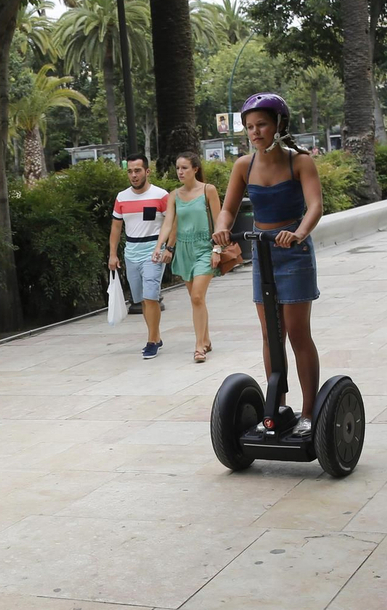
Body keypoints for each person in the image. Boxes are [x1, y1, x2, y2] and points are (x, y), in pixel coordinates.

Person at [211, 92, 324, 436]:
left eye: (261, 124)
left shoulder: (299, 161)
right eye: (249, 127)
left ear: (278, 125)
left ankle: (308, 413)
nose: (255, 132)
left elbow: (315, 205)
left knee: (297, 334)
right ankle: (279, 407)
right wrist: (221, 227)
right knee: (270, 334)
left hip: (294, 252)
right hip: (262, 252)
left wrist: (299, 233)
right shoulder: (243, 165)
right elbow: (228, 208)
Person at [154, 151, 223, 362]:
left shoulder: (208, 190)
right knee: (196, 299)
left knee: (197, 297)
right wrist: (159, 246)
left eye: (184, 167)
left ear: (195, 169)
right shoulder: (174, 195)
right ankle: (207, 339)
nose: (180, 172)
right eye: (177, 168)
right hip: (184, 250)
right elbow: (168, 223)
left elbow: (219, 221)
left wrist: (217, 249)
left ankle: (199, 346)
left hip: (204, 248)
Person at [108, 154, 170, 358]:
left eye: (137, 171)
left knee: (150, 297)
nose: (133, 175)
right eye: (130, 171)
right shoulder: (122, 197)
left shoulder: (161, 195)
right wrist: (113, 254)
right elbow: (116, 228)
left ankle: (152, 341)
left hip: (154, 251)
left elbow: (173, 224)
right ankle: (156, 335)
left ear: (147, 171)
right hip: (131, 252)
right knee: (142, 300)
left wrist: (167, 247)